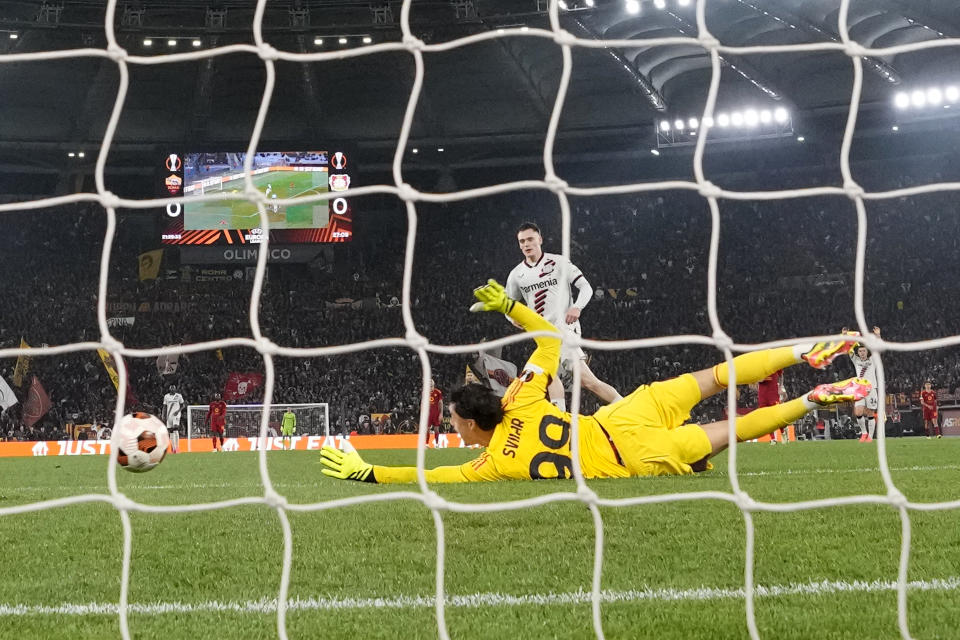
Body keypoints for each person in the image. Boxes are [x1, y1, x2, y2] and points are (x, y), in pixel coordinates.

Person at [320, 280, 868, 484]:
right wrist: (512, 307)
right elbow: (552, 344)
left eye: (453, 424)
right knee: (717, 374)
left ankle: (812, 401)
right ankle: (808, 349)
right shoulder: (521, 398)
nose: (455, 433)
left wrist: (367, 473)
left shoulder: (491, 465)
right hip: (623, 416)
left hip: (634, 456)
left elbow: (423, 476)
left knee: (736, 429)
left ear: (467, 422)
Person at [505, 222, 621, 411]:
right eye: (522, 241)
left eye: (530, 239)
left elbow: (586, 287)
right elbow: (507, 307)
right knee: (551, 379)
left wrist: (577, 307)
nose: (526, 244)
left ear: (540, 240)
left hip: (564, 329)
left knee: (587, 380)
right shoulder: (516, 275)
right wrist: (512, 319)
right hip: (542, 335)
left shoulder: (559, 262)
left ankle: (627, 407)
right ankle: (561, 423)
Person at [843, 326, 881, 442]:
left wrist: (878, 336)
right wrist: (845, 336)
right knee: (858, 412)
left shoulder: (872, 359)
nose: (862, 353)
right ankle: (864, 433)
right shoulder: (856, 360)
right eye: (860, 351)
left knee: (870, 413)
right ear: (858, 353)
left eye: (864, 351)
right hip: (859, 389)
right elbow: (848, 349)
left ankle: (870, 436)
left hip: (871, 389)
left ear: (867, 351)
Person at [756, 370, 787, 444]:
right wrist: (759, 379)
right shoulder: (759, 365)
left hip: (773, 394)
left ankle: (783, 433)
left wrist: (780, 387)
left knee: (777, 415)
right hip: (762, 395)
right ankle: (773, 439)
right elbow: (755, 378)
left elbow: (781, 375)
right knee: (767, 417)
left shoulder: (774, 363)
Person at [162, 385, 185, 454]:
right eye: (171, 389)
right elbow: (164, 406)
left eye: (173, 388)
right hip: (169, 416)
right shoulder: (166, 396)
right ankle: (173, 449)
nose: (172, 390)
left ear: (175, 389)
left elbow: (183, 405)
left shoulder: (179, 396)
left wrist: (178, 411)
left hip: (176, 415)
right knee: (171, 431)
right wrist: (163, 415)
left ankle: (177, 448)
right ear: (169, 389)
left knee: (175, 428)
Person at [427, 380, 444, 448]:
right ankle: (426, 444)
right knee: (427, 429)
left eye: (431, 382)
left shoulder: (438, 392)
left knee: (436, 428)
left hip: (436, 413)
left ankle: (437, 444)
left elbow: (441, 403)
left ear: (434, 384)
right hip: (428, 413)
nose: (430, 384)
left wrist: (441, 413)